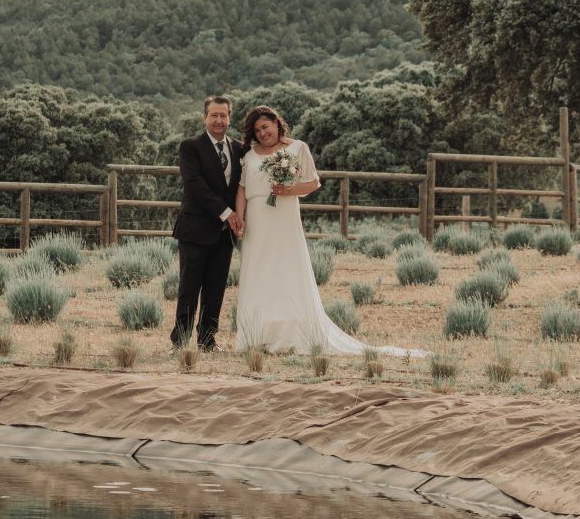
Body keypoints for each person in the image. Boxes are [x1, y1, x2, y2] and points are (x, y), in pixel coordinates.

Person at [232, 105, 423, 357]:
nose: (262, 133)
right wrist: (240, 216)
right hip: (257, 217)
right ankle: (256, 335)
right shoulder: (249, 155)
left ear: (276, 124)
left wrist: (289, 190)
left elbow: (313, 182)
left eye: (265, 127)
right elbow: (242, 188)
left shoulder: (298, 148)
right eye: (257, 130)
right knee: (258, 269)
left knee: (286, 267)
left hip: (284, 216)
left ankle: (291, 333)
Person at [170, 95, 244, 352]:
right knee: (189, 289)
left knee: (215, 290)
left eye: (223, 115)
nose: (219, 120)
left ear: (229, 118)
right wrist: (226, 212)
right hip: (195, 230)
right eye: (214, 115)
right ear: (205, 117)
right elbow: (194, 185)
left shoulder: (239, 149)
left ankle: (207, 341)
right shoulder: (190, 147)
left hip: (224, 234)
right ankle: (180, 342)